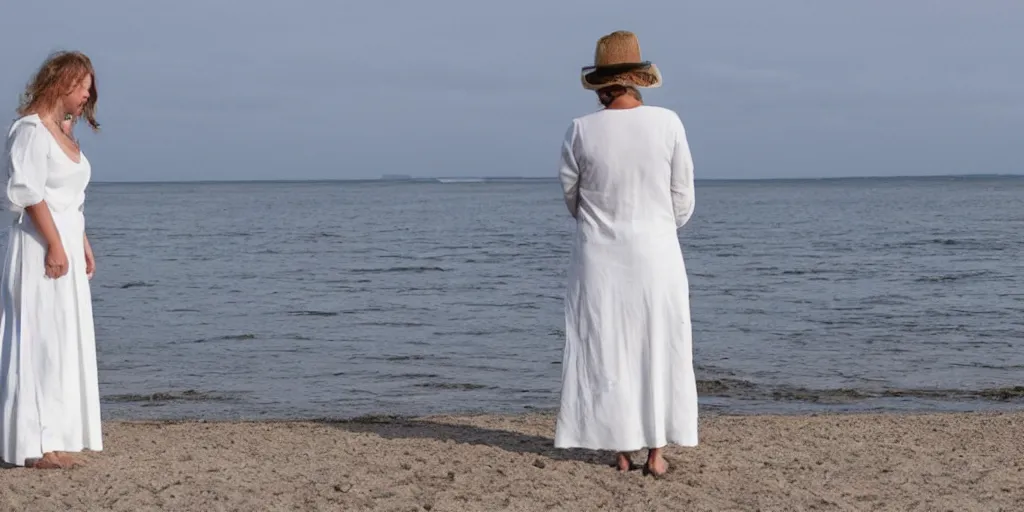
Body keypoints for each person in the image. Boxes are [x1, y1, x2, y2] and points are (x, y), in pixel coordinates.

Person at [554, 31, 698, 477]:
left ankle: (620, 449)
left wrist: (605, 221)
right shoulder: (669, 123)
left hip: (599, 256)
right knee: (658, 344)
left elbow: (571, 198)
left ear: (600, 83)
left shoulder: (580, 129)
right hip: (656, 253)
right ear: (637, 78)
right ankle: (656, 454)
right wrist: (654, 226)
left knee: (606, 346)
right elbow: (683, 199)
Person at [0, 51, 102, 469]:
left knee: (61, 344)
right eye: (82, 86)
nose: (88, 95)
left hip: (65, 245)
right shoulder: (29, 130)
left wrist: (81, 241)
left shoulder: (60, 132)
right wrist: (57, 245)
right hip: (40, 247)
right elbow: (27, 192)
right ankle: (35, 444)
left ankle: (56, 439)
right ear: (61, 83)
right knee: (38, 342)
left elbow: (68, 198)